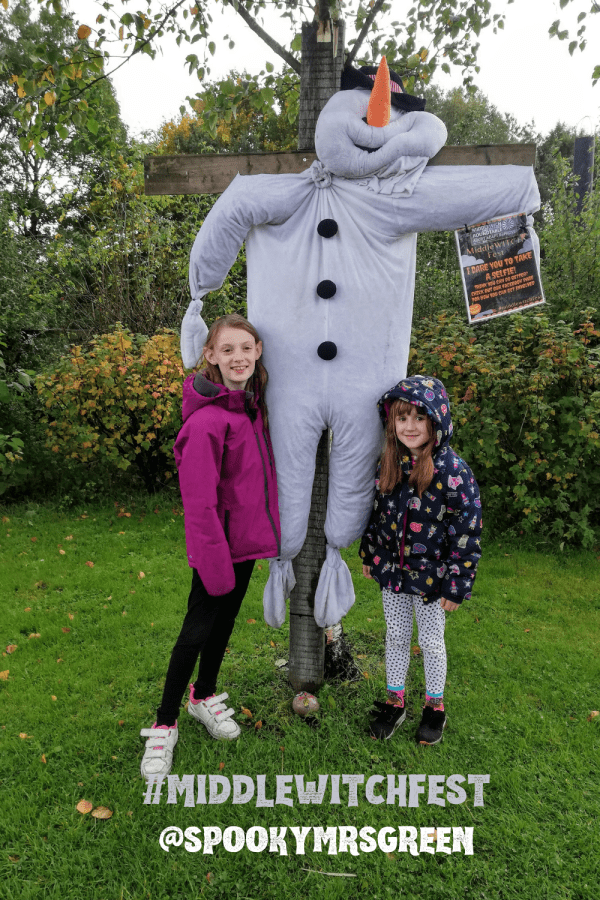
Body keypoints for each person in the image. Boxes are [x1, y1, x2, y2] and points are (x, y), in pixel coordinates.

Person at [140, 314, 281, 779]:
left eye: (246, 348)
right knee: (197, 629)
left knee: (224, 624)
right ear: (210, 356)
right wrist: (212, 561)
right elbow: (199, 505)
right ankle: (164, 724)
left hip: (244, 544)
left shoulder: (252, 408)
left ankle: (204, 696)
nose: (237, 357)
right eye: (227, 350)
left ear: (258, 350)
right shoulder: (206, 423)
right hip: (217, 550)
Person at [359, 375, 482, 745]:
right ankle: (394, 701)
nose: (409, 427)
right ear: (391, 423)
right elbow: (376, 515)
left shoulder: (453, 472)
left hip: (433, 579)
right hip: (394, 574)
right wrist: (371, 553)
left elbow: (467, 530)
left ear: (436, 421)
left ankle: (434, 708)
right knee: (395, 635)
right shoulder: (388, 465)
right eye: (401, 418)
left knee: (431, 640)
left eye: (419, 418)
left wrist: (457, 583)